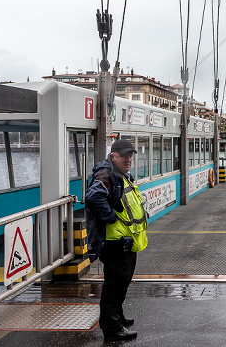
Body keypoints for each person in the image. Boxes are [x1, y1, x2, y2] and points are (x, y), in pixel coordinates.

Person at [86, 139, 148, 342]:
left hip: (126, 241)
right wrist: (110, 216)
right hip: (114, 242)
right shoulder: (107, 174)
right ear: (113, 156)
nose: (128, 159)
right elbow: (94, 196)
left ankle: (117, 317)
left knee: (122, 282)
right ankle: (112, 329)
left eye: (130, 155)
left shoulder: (121, 175)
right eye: (123, 156)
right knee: (114, 286)